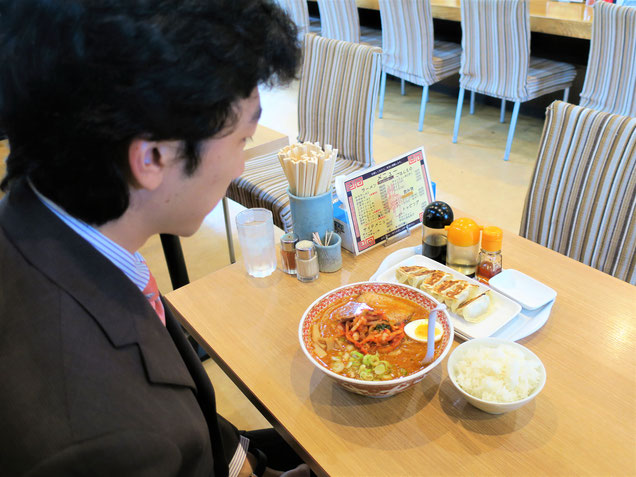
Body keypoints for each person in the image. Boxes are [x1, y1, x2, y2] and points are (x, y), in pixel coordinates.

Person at [0, 0, 308, 476]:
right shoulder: (104, 441)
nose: (240, 166)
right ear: (152, 159)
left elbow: (202, 433)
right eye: (242, 140)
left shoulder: (38, 222)